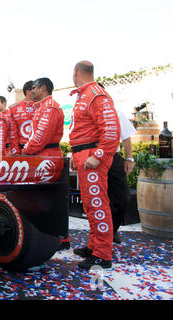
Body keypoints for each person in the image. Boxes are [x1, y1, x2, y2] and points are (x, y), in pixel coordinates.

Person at [69, 61, 121, 270]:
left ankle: (102, 254)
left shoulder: (96, 94)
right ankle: (94, 246)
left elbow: (111, 129)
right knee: (91, 204)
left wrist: (98, 155)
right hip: (85, 155)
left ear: (76, 73)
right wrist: (76, 154)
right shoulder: (85, 94)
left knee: (98, 203)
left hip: (93, 157)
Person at [109, 106, 137, 244]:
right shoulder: (84, 110)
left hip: (113, 158)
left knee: (123, 197)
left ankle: (112, 229)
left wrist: (129, 158)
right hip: (92, 159)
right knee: (97, 200)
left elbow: (125, 135)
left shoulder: (115, 111)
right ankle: (99, 234)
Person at [21, 78, 64, 158]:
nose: (31, 91)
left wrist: (26, 150)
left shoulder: (50, 107)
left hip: (47, 157)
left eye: (34, 88)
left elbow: (40, 136)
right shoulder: (43, 106)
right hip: (41, 155)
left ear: (43, 88)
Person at [8, 81, 37, 155]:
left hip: (39, 149)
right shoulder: (13, 108)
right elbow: (12, 132)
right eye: (35, 89)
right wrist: (16, 151)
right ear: (28, 92)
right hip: (21, 149)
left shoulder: (42, 106)